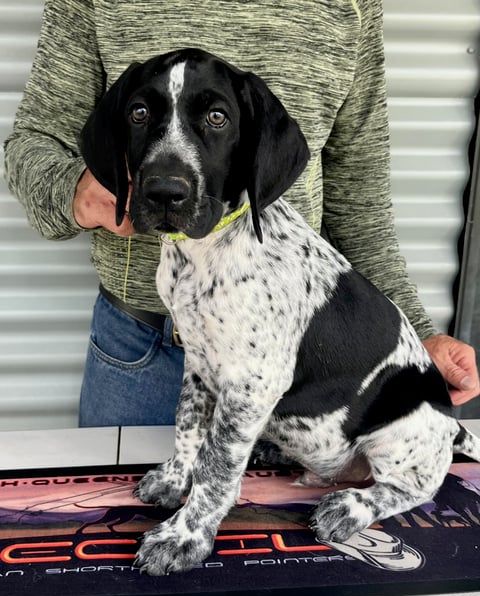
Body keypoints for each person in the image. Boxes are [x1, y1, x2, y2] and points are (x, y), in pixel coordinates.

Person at [4, 0, 479, 427]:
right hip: (145, 347)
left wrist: (418, 337)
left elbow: (359, 204)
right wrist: (76, 190)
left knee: (284, 524)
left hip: (298, 366)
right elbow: (34, 142)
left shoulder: (349, 6)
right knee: (114, 521)